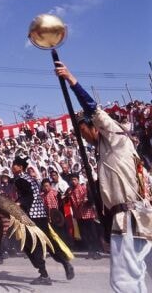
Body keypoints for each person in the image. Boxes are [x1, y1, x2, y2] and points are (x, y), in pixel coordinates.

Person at [56, 61, 152, 292]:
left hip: (130, 218)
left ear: (98, 128)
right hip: (136, 216)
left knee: (125, 281)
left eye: (85, 127)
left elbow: (93, 108)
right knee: (139, 275)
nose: (84, 133)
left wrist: (70, 79)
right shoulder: (109, 151)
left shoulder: (115, 135)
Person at [12, 156, 74, 285]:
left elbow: (27, 196)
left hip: (31, 217)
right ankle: (65, 262)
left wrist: (18, 204)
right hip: (41, 216)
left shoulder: (20, 180)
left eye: (15, 165)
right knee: (49, 242)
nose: (13, 167)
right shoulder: (31, 178)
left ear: (20, 167)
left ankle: (44, 275)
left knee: (31, 245)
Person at [65, 173, 101, 259]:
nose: (73, 181)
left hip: (88, 214)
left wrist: (88, 201)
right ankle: (90, 251)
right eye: (71, 180)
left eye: (75, 180)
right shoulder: (70, 191)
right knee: (84, 234)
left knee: (92, 233)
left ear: (78, 180)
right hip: (79, 215)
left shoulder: (84, 188)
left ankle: (96, 251)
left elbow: (91, 199)